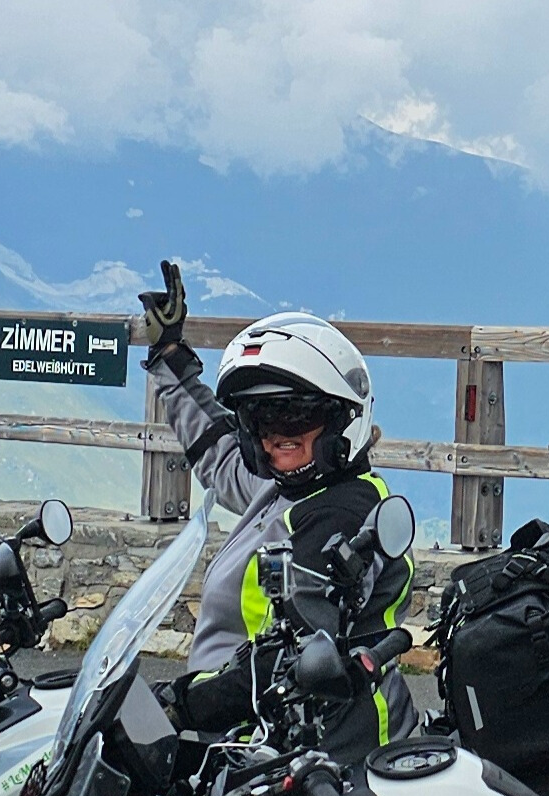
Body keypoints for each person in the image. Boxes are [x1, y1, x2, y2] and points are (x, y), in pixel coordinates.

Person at [137, 262, 418, 757]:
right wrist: (171, 358)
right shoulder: (289, 490)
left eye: (297, 415)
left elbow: (287, 661)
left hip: (326, 761)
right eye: (262, 418)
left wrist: (177, 705)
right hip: (252, 738)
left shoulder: (343, 515)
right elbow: (217, 451)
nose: (277, 434)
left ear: (340, 418)